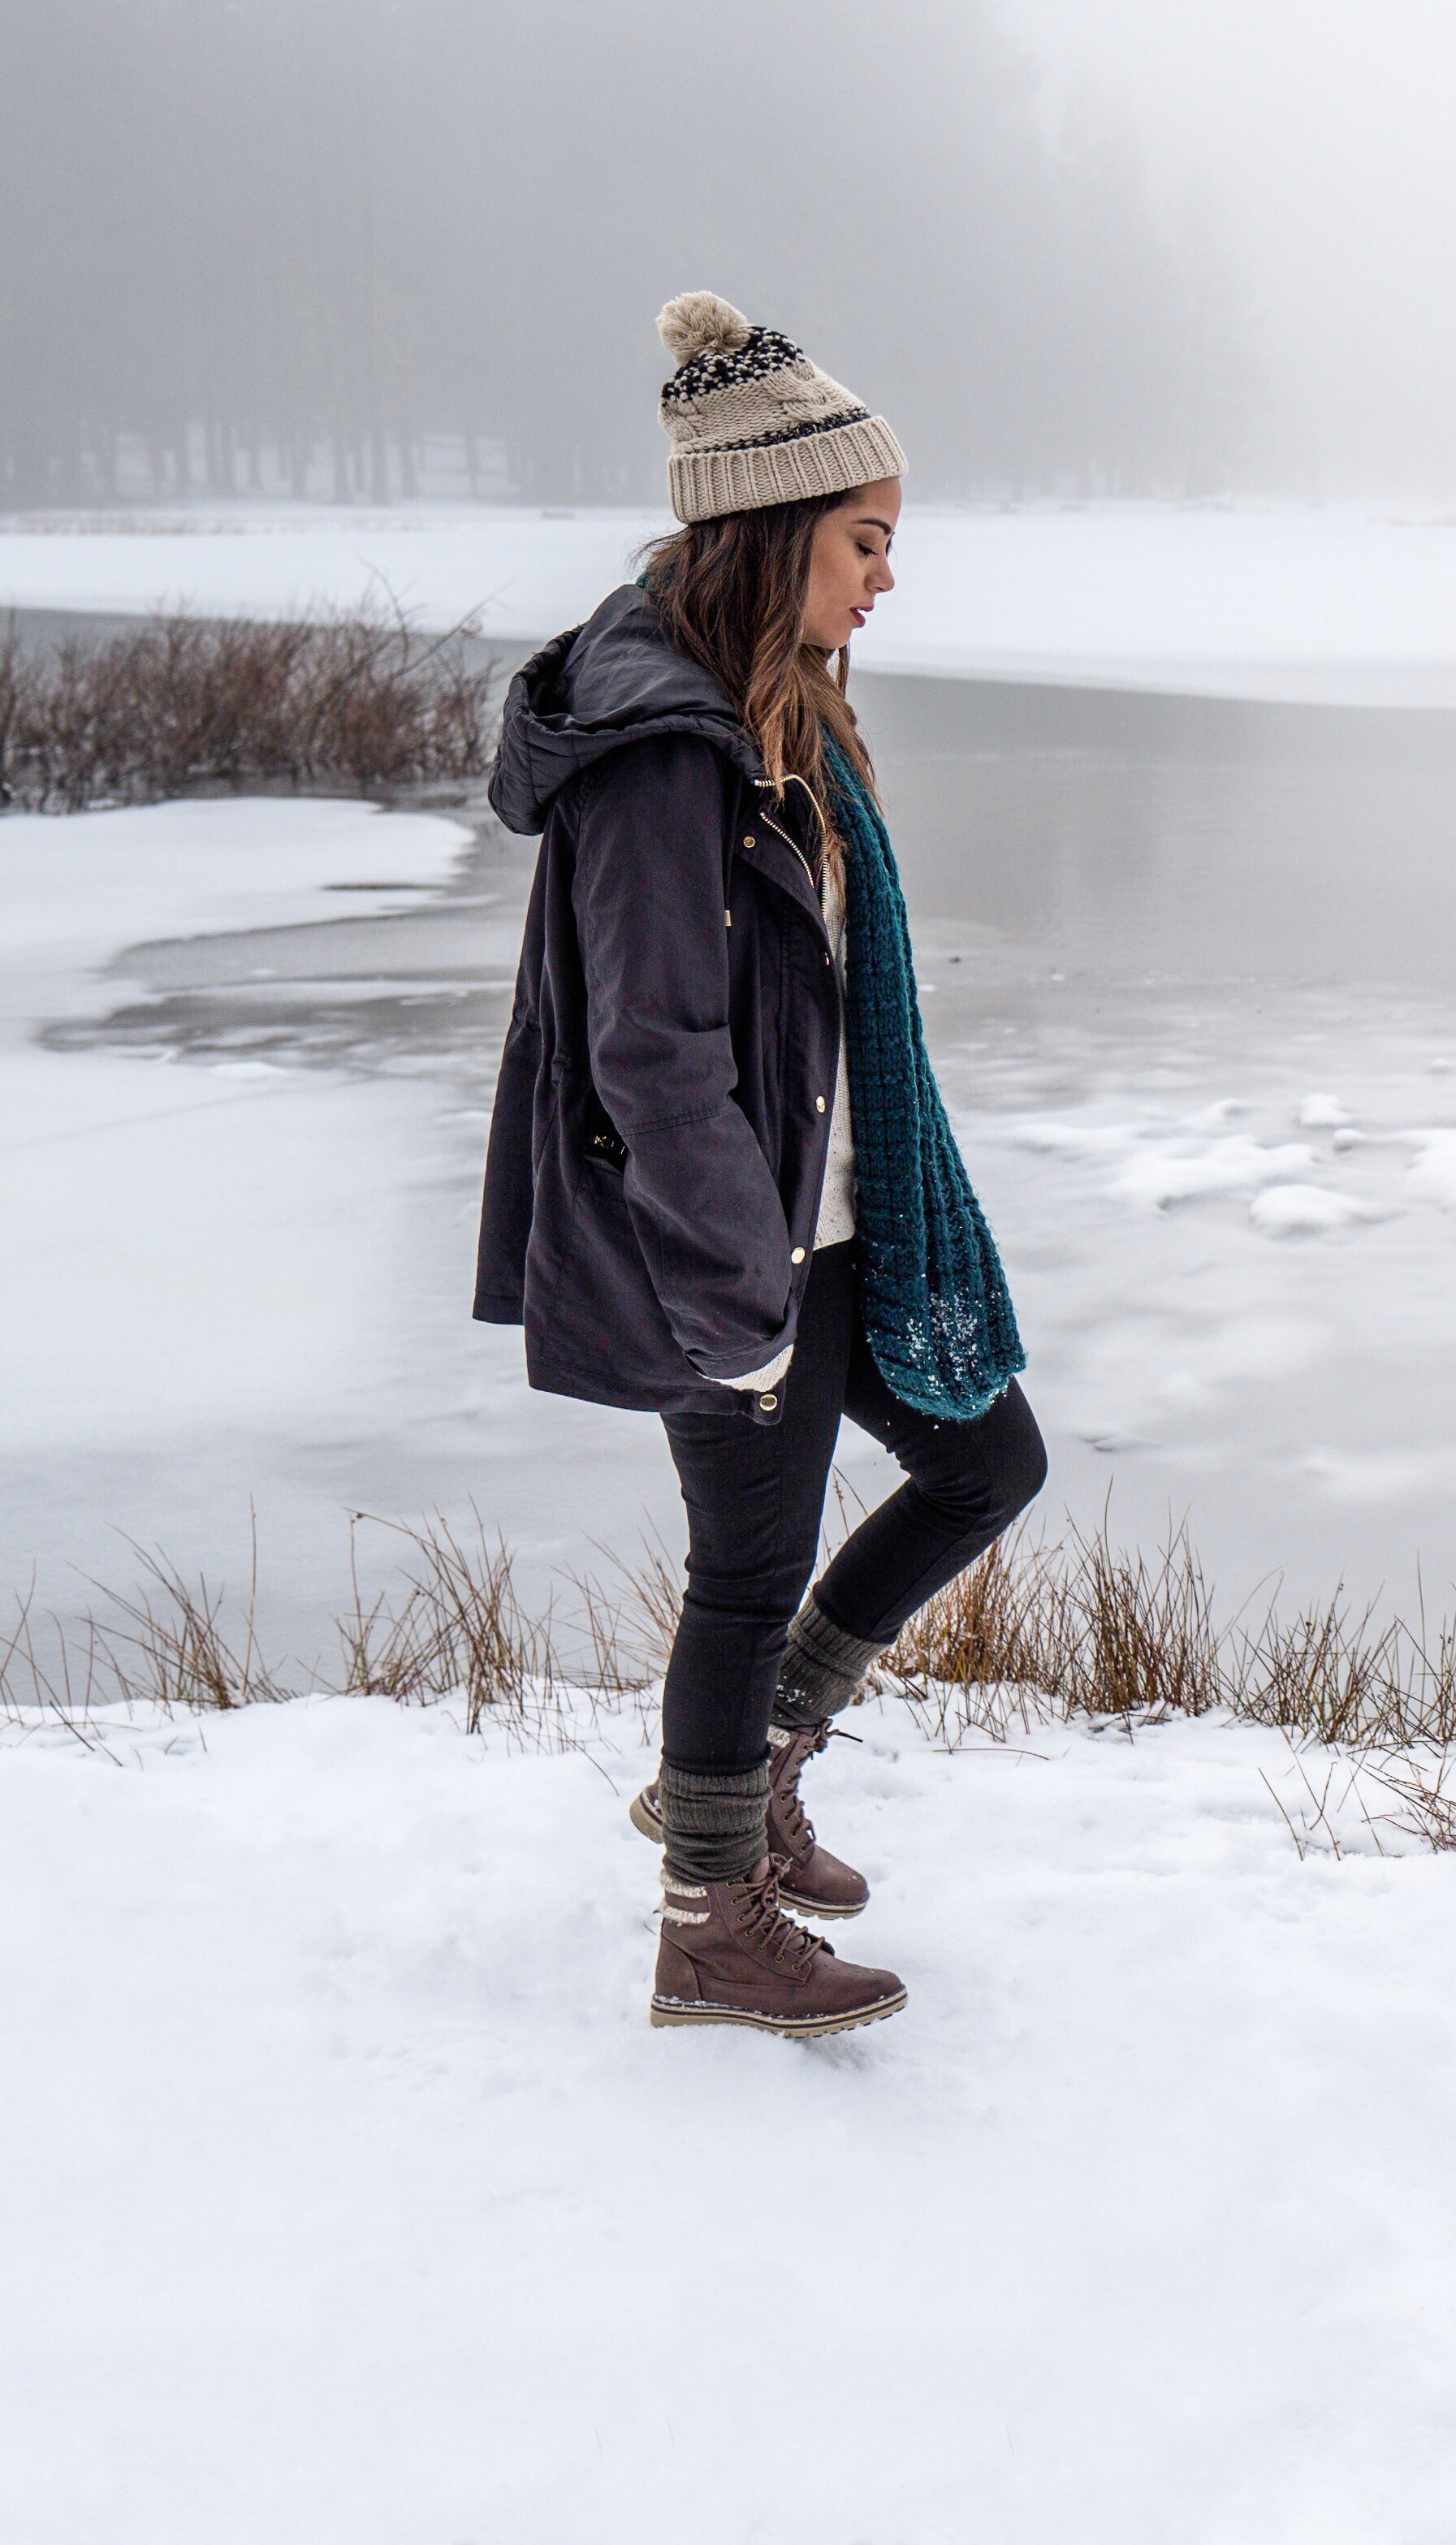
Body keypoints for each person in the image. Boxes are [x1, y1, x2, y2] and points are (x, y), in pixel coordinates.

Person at [473, 292, 1046, 2038]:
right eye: (866, 541)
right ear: (778, 527)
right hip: (734, 1250)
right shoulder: (666, 750)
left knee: (983, 1462)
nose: (886, 578)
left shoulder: (771, 707)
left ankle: (754, 1769)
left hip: (833, 1219)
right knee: (748, 1564)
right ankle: (707, 1921)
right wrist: (740, 1293)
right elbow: (654, 1049)